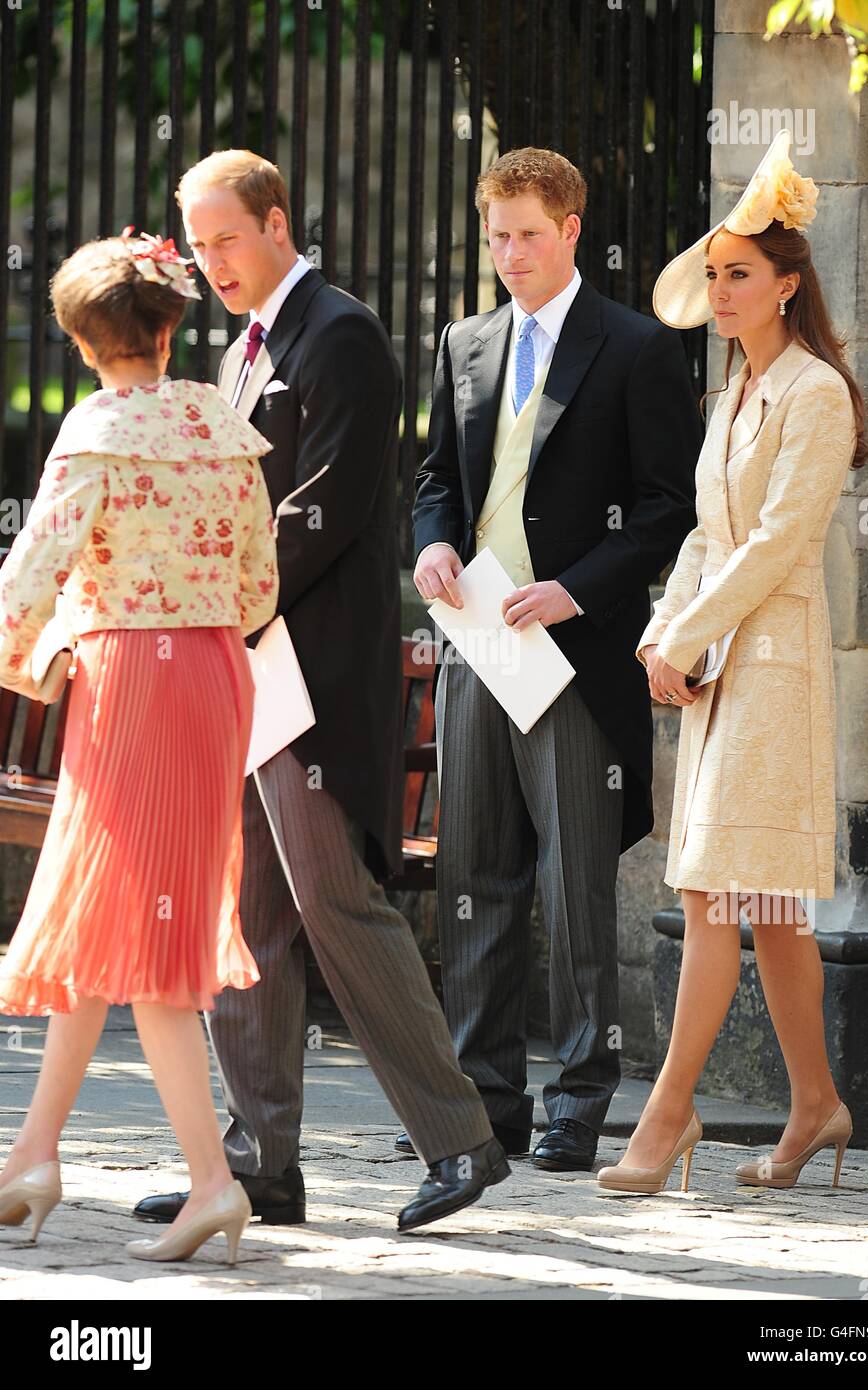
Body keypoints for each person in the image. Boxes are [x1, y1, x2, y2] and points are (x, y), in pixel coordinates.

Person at [133, 150, 508, 1236]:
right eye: (197, 248)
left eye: (228, 240)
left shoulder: (339, 332)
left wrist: (212, 593)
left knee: (336, 903)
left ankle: (462, 1137)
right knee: (246, 915)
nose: (212, 264)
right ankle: (259, 1163)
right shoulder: (246, 343)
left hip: (311, 673)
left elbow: (323, 509)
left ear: (278, 221)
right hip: (252, 669)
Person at [410, 147, 701, 1173]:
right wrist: (432, 542)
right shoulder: (465, 340)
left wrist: (577, 587)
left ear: (571, 229)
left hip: (572, 653)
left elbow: (670, 505)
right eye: (496, 236)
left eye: (527, 234)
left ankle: (580, 1098)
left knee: (575, 883)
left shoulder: (634, 346)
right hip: (475, 647)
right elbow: (437, 478)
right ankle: (483, 1100)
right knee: (473, 877)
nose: (509, 255)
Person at [0, 229, 280, 1264]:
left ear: (82, 339)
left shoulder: (96, 428)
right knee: (110, 915)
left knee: (149, 939)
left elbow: (31, 572)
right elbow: (258, 587)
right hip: (211, 675)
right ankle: (32, 1155)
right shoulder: (218, 420)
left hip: (132, 680)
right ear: (171, 324)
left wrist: (35, 647)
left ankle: (213, 1182)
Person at [597, 130, 867, 1197]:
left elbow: (775, 543)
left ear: (785, 286)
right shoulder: (728, 397)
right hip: (723, 663)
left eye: (736, 274)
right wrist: (666, 624)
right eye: (710, 274)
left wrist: (684, 634)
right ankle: (815, 1104)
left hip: (776, 668)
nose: (717, 290)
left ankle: (667, 1113)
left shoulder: (813, 393)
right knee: (767, 907)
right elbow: (708, 535)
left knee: (719, 889)